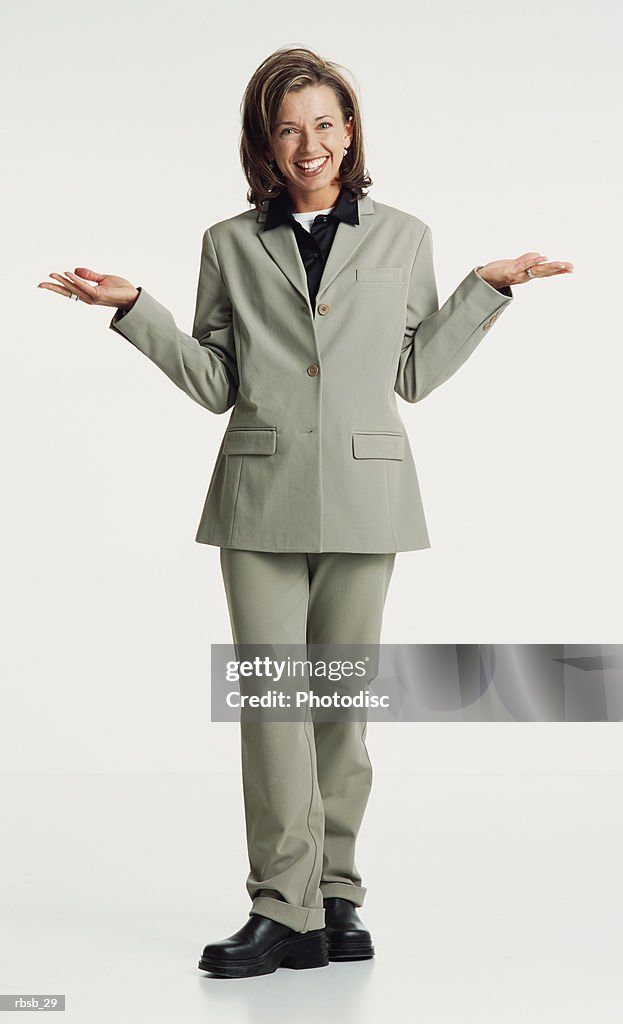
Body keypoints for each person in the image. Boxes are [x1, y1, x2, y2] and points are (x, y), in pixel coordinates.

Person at [37, 45, 574, 980]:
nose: (309, 143)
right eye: (288, 127)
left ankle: (335, 897)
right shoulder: (228, 243)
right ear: (264, 142)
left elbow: (412, 372)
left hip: (368, 494)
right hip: (257, 499)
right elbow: (215, 383)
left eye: (325, 123)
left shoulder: (404, 235)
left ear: (351, 129)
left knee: (339, 707)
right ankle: (279, 907)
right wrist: (136, 309)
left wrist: (485, 291)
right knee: (273, 708)